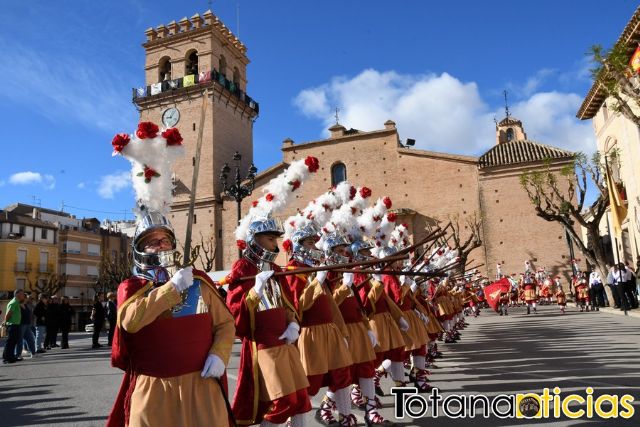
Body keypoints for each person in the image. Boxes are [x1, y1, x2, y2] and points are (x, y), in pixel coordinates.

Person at [108, 210, 235, 427]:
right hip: (154, 389)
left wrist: (219, 355)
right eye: (152, 241)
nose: (161, 245)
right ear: (140, 249)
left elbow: (225, 324)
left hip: (202, 385)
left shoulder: (198, 281)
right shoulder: (131, 287)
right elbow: (130, 322)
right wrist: (171, 288)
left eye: (165, 240)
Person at [224, 216, 312, 427]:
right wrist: (254, 292)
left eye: (276, 239)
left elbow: (287, 303)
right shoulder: (242, 268)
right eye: (271, 239)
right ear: (255, 239)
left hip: (284, 343)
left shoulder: (275, 268)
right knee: (283, 402)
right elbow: (234, 313)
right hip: (263, 346)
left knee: (300, 398)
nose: (275, 244)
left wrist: (293, 323)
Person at [2, 289, 26, 364]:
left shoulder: (16, 302)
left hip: (15, 324)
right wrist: (5, 322)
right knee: (10, 342)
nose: (23, 296)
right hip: (12, 325)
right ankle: (7, 357)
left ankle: (10, 356)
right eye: (22, 294)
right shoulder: (14, 302)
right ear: (17, 294)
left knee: (13, 341)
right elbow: (8, 314)